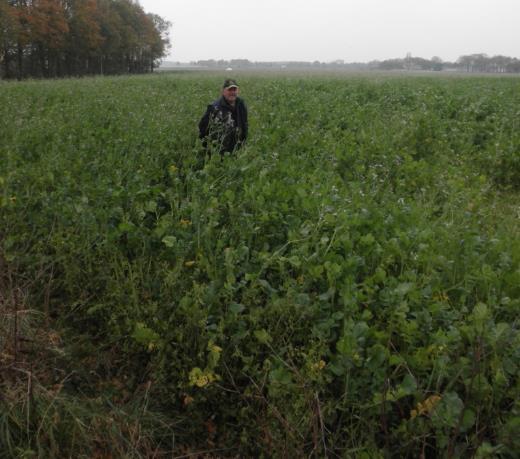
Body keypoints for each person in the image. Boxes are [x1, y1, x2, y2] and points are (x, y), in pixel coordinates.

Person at [198, 79, 248, 155]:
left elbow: (244, 125)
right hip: (219, 152)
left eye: (234, 90)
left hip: (237, 149)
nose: (232, 92)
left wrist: (243, 143)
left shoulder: (241, 104)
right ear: (223, 91)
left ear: (238, 91)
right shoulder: (215, 108)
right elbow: (203, 129)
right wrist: (207, 150)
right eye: (229, 90)